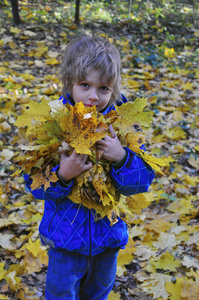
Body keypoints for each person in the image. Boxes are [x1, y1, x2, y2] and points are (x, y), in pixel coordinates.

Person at [25, 34, 155, 300]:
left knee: (97, 295)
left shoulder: (121, 127)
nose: (93, 96)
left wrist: (121, 157)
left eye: (104, 89)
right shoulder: (54, 125)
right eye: (85, 85)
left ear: (114, 90)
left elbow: (140, 183)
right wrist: (63, 175)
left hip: (107, 241)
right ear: (68, 82)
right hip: (65, 245)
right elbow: (35, 186)